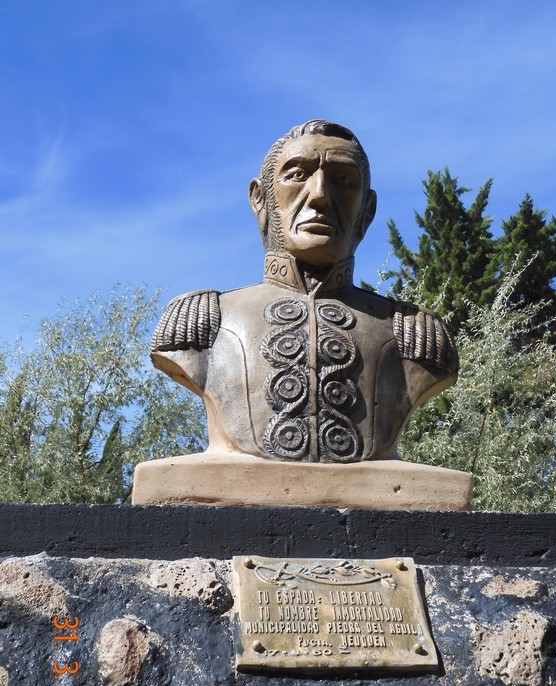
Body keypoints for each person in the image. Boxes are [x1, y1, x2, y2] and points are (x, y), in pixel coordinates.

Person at [150, 120, 457, 463]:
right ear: (260, 199)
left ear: (366, 211)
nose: (320, 195)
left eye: (344, 181)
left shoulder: (412, 334)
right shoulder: (206, 320)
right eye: (297, 175)